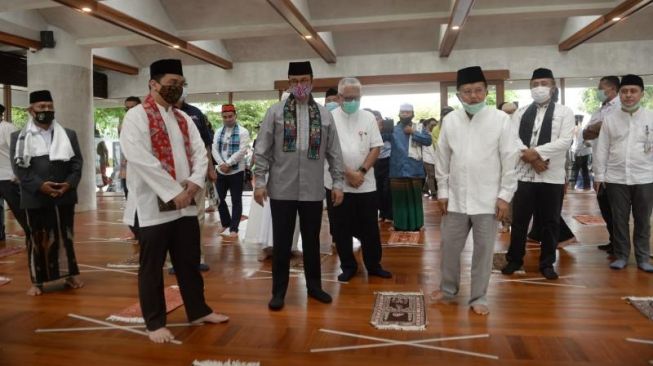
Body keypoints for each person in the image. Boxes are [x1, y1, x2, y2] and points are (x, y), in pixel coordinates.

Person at [120, 59, 228, 343]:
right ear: (153, 84)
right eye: (171, 84)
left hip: (186, 204)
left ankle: (198, 310)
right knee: (152, 267)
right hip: (151, 207)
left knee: (188, 262)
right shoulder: (136, 116)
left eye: (180, 84)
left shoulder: (183, 118)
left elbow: (200, 152)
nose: (176, 89)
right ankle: (155, 323)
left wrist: (193, 185)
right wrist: (173, 191)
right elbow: (140, 158)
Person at [254, 61, 345, 311]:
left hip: (313, 190)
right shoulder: (275, 112)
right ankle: (278, 292)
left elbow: (334, 153)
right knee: (282, 242)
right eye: (294, 81)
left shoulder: (325, 115)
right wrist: (259, 182)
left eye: (304, 80)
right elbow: (261, 150)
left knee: (312, 241)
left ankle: (314, 287)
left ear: (312, 82)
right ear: (289, 84)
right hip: (282, 188)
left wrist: (338, 183)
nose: (299, 86)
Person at [433, 66, 517, 315]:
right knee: (448, 247)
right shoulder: (451, 120)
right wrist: (442, 192)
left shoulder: (500, 119)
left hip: (488, 200)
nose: (473, 96)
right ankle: (448, 289)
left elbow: (509, 159)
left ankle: (479, 297)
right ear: (458, 95)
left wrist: (504, 196)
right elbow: (442, 159)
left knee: (483, 252)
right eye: (467, 92)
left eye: (478, 90)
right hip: (455, 199)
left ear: (486, 91)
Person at [502, 68, 575, 280]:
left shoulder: (565, 112)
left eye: (544, 83)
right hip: (524, 175)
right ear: (530, 87)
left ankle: (547, 263)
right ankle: (514, 259)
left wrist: (536, 153)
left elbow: (565, 142)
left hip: (551, 176)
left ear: (552, 87)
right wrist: (532, 158)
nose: (539, 88)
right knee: (520, 221)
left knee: (550, 222)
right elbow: (512, 138)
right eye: (535, 84)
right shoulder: (521, 112)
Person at [10, 90, 84, 296]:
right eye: (42, 107)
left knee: (65, 236)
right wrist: (40, 186)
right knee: (37, 238)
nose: (47, 110)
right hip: (35, 196)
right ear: (31, 110)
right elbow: (19, 168)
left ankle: (70, 274)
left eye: (50, 106)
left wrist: (69, 184)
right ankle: (37, 281)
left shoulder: (68, 134)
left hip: (64, 194)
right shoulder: (19, 137)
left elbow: (77, 163)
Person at [325, 77, 392, 282]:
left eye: (356, 97)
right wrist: (348, 173)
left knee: (370, 227)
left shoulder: (368, 117)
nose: (352, 101)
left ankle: (373, 265)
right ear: (339, 97)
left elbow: (376, 147)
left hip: (365, 183)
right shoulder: (328, 117)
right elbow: (326, 150)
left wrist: (361, 172)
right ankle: (348, 266)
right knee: (341, 227)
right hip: (337, 183)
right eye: (347, 97)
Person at [594, 74, 653, 272]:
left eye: (633, 91)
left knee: (643, 220)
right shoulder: (610, 119)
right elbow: (602, 148)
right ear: (620, 94)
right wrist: (599, 176)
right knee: (619, 219)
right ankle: (621, 255)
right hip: (616, 177)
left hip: (645, 177)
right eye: (625, 91)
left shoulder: (651, 117)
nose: (628, 95)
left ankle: (643, 257)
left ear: (642, 94)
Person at [171, 85, 216, 272]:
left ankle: (196, 257)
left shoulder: (196, 114)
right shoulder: (160, 115)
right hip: (172, 176)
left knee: (197, 217)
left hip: (196, 174)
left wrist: (210, 169)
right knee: (173, 217)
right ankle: (175, 261)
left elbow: (205, 145)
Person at [583, 76, 621, 255]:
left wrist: (598, 127)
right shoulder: (601, 109)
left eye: (601, 87)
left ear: (612, 88)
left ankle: (620, 244)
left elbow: (607, 127)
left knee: (616, 208)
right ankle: (613, 240)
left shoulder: (620, 106)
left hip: (614, 165)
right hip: (599, 164)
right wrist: (596, 127)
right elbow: (587, 132)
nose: (598, 91)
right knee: (604, 205)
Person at [384, 103, 432, 231]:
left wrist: (413, 132)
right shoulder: (393, 129)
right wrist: (380, 127)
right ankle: (399, 224)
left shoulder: (419, 127)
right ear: (399, 114)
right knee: (399, 199)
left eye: (407, 112)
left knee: (415, 198)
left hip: (415, 168)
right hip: (397, 169)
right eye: (403, 112)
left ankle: (418, 224)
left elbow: (428, 141)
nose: (405, 115)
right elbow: (381, 138)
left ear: (412, 114)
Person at [212, 104, 250, 239]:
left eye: (230, 116)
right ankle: (225, 222)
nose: (228, 119)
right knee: (218, 199)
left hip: (236, 172)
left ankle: (234, 228)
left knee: (236, 200)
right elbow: (214, 149)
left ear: (235, 116)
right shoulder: (218, 131)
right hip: (221, 171)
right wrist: (222, 164)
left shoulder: (243, 131)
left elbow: (242, 150)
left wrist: (229, 163)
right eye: (225, 117)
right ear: (222, 117)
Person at [0, 104, 28, 240]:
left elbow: (21, 152)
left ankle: (33, 234)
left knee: (19, 209)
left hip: (8, 178)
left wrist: (18, 173)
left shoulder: (7, 128)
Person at [371, 110, 392, 222]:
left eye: (378, 118)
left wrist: (380, 131)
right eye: (374, 118)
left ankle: (389, 214)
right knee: (378, 188)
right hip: (376, 161)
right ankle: (382, 213)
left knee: (387, 189)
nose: (377, 120)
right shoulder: (370, 130)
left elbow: (388, 137)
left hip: (388, 160)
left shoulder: (388, 129)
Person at [571, 115, 591, 190]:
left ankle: (572, 186)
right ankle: (587, 185)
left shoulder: (579, 129)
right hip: (584, 152)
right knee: (584, 169)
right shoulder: (581, 128)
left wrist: (576, 152)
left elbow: (579, 142)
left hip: (580, 152)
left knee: (575, 169)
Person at [421, 118, 438, 198]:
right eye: (432, 125)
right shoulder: (424, 134)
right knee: (431, 175)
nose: (434, 126)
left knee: (431, 175)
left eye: (435, 125)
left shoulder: (437, 133)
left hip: (435, 157)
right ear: (427, 125)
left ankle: (425, 188)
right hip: (427, 158)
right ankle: (434, 192)